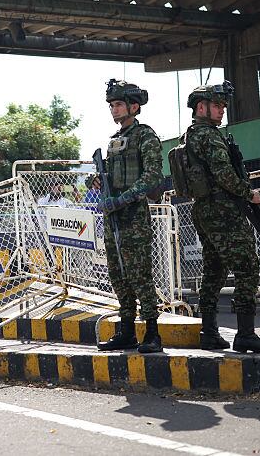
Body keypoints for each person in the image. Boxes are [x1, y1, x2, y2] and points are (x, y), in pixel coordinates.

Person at [185, 81, 260, 354]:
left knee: (214, 269)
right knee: (247, 266)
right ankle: (246, 334)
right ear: (201, 107)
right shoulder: (210, 137)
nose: (222, 110)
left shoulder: (190, 136)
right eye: (217, 105)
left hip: (203, 210)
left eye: (223, 106)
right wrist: (249, 194)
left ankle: (209, 332)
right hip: (223, 211)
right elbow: (224, 174)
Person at [87, 79, 164, 354]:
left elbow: (152, 176)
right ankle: (128, 330)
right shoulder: (114, 141)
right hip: (114, 218)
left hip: (134, 218)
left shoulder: (145, 136)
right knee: (118, 274)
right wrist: (97, 181)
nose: (114, 109)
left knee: (140, 275)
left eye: (118, 104)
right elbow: (111, 176)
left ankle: (152, 332)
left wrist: (122, 199)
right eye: (111, 105)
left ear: (134, 106)